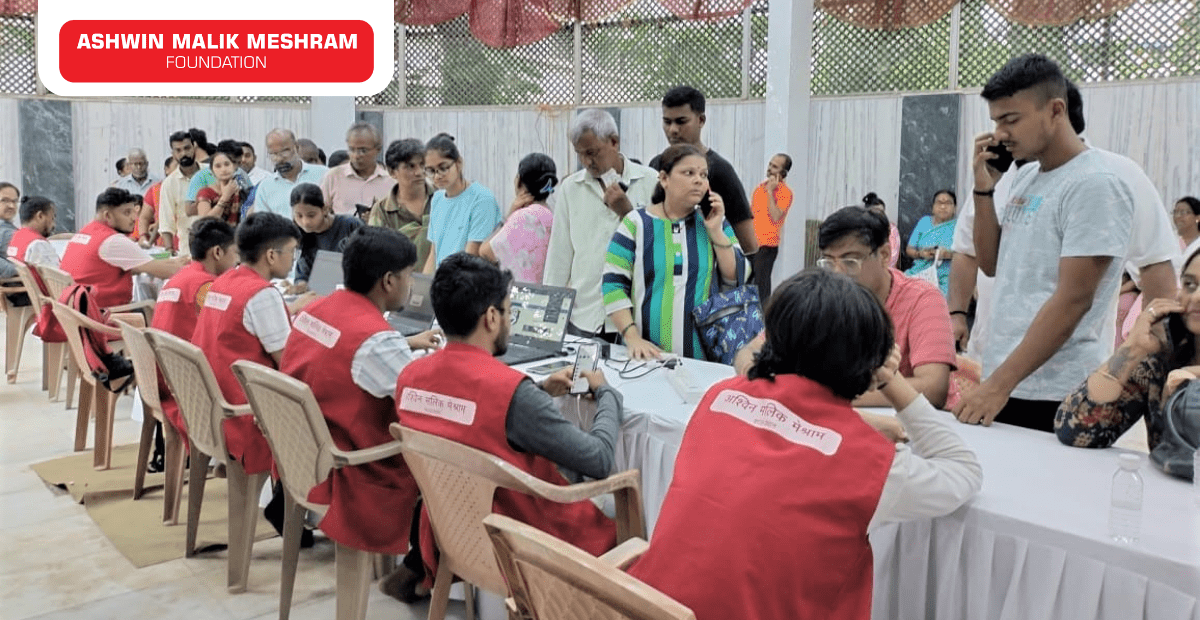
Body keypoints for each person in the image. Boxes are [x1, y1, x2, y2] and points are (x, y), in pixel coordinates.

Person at [626, 270, 982, 620]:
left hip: (651, 607)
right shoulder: (869, 464)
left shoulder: (719, 397)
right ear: (865, 359)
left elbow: (786, 420)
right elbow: (963, 469)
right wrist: (890, 380)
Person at [396, 252, 623, 591]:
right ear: (490, 317)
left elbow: (470, 423)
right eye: (508, 312)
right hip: (526, 546)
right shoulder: (510, 393)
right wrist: (607, 395)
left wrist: (539, 392)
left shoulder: (410, 377)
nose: (509, 322)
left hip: (451, 535)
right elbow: (600, 459)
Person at [957, 54, 1133, 431]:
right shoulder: (1027, 177)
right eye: (996, 122)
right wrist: (983, 188)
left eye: (1011, 119)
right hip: (1008, 379)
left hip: (1056, 392)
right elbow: (990, 264)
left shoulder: (1095, 185)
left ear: (1055, 109)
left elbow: (1073, 301)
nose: (1000, 134)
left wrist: (997, 386)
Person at [281, 227, 440, 598]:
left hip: (303, 454)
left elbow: (348, 354)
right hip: (353, 468)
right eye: (408, 276)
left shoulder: (316, 308)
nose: (411, 285)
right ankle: (421, 570)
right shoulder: (375, 341)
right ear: (388, 281)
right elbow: (423, 404)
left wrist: (401, 345)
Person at [191, 212, 308, 492]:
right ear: (271, 255)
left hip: (209, 407)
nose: (294, 258)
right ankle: (294, 512)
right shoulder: (262, 294)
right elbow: (288, 364)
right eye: (292, 251)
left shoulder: (223, 281)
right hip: (245, 417)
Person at [603, 144, 748, 361]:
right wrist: (632, 337)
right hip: (646, 359)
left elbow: (736, 277)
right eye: (688, 173)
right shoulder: (636, 224)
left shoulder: (715, 223)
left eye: (703, 174)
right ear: (664, 179)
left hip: (705, 361)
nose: (698, 180)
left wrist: (716, 232)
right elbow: (613, 285)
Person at [1056, 248, 1200, 452]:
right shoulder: (1162, 364)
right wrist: (1132, 348)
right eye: (1190, 285)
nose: (1196, 297)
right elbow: (1076, 431)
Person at [544, 108, 658, 338]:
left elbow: (661, 247)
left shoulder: (651, 181)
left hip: (635, 321)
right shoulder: (571, 189)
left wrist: (627, 212)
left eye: (592, 152)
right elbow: (559, 257)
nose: (586, 161)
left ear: (614, 142)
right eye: (580, 154)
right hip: (584, 319)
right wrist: (549, 322)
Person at [148, 218, 238, 470]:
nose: (237, 260)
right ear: (218, 252)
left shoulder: (181, 276)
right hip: (184, 384)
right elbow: (225, 328)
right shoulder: (206, 286)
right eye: (235, 253)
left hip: (163, 375)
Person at [649, 86, 757, 255]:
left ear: (701, 120)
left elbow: (749, 245)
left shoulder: (721, 171)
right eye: (667, 122)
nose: (673, 130)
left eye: (681, 121)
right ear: (663, 178)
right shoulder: (655, 166)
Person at [60, 188, 187, 310]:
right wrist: (195, 264)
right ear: (108, 215)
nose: (134, 218)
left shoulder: (86, 231)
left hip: (78, 309)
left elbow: (141, 265)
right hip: (101, 315)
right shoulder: (112, 241)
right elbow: (166, 271)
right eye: (127, 213)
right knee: (156, 307)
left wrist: (176, 262)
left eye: (134, 211)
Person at [422, 133, 502, 273]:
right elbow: (433, 253)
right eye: (431, 171)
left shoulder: (482, 199)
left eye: (443, 168)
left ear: (459, 163)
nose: (437, 176)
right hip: (443, 284)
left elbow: (472, 258)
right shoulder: (437, 199)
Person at [480, 153, 556, 283]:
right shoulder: (554, 216)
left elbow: (485, 252)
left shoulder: (520, 218)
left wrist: (508, 217)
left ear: (519, 181)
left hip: (519, 297)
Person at [368, 138, 435, 269]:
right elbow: (375, 256)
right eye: (410, 166)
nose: (419, 172)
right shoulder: (382, 211)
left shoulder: (444, 199)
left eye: (422, 165)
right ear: (393, 172)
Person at [287, 183, 364, 294]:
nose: (305, 222)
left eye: (311, 215)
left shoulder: (351, 225)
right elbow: (303, 274)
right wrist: (301, 286)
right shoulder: (301, 236)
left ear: (324, 209)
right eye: (299, 216)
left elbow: (368, 262)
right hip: (319, 296)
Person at [319, 122, 395, 216]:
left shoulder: (390, 182)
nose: (356, 155)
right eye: (352, 149)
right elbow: (320, 212)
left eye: (363, 150)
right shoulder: (333, 177)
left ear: (378, 150)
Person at [248, 129, 328, 218]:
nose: (279, 159)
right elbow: (263, 224)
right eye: (273, 154)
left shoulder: (324, 174)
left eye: (284, 152)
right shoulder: (265, 187)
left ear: (296, 148)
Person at [749, 153, 793, 302]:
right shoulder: (759, 189)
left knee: (761, 288)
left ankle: (764, 319)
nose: (770, 168)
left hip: (767, 246)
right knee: (748, 285)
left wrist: (770, 192)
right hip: (752, 244)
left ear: (783, 173)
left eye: (775, 166)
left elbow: (775, 216)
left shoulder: (785, 193)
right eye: (770, 164)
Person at [904, 190, 957, 298]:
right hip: (919, 271)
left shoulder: (958, 226)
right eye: (939, 203)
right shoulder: (924, 222)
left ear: (954, 208)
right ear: (933, 207)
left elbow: (967, 255)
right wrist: (921, 254)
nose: (943, 207)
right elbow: (909, 249)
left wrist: (948, 255)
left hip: (945, 276)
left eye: (947, 203)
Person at [158, 130, 203, 255]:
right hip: (189, 251)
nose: (184, 153)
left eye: (187, 148)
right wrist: (169, 249)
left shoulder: (211, 172)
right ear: (173, 154)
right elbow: (166, 222)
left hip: (218, 246)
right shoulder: (169, 184)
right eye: (178, 150)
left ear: (194, 147)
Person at [185, 139, 252, 217]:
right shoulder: (201, 177)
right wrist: (219, 199)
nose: (224, 169)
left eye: (237, 164)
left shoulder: (240, 173)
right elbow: (189, 211)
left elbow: (250, 198)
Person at [195, 141, 247, 227]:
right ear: (212, 171)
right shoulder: (206, 193)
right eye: (218, 166)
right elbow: (204, 223)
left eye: (227, 164)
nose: (223, 169)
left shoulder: (243, 193)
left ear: (234, 167)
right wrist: (225, 197)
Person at [6, 194, 58, 269]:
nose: (53, 224)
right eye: (52, 218)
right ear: (40, 216)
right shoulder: (38, 244)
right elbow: (57, 276)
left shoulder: (16, 237)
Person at [136, 157, 175, 248]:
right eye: (177, 166)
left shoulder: (191, 187)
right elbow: (144, 217)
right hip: (163, 246)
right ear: (166, 170)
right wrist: (143, 236)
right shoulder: (155, 190)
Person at [863, 192, 900, 269]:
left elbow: (893, 257)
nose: (879, 216)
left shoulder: (891, 229)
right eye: (875, 213)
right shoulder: (861, 229)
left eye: (882, 212)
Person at [0, 182, 20, 280]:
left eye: (15, 201)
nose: (11, 206)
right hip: (15, 290)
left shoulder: (8, 227)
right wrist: (25, 271)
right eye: (5, 200)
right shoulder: (5, 231)